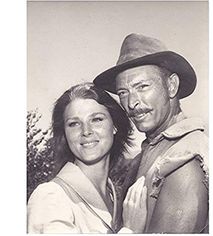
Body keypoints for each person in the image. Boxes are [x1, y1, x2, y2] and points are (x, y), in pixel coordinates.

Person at [94, 33, 209, 233]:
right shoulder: (154, 151)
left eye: (143, 86)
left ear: (171, 86)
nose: (131, 103)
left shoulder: (183, 159)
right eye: (123, 93)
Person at [27, 82, 147, 233]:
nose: (86, 131)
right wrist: (130, 230)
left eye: (96, 119)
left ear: (115, 126)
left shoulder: (115, 196)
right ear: (64, 133)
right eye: (74, 124)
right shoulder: (50, 196)